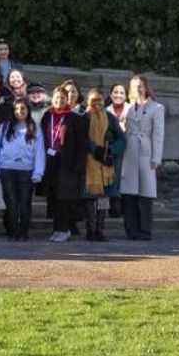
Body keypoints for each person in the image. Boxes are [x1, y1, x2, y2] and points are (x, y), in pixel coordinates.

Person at [119, 75, 165, 241]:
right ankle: (131, 230)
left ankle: (145, 231)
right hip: (129, 152)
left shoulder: (157, 108)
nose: (138, 89)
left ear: (146, 88)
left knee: (145, 193)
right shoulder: (127, 108)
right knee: (129, 193)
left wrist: (156, 158)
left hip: (146, 152)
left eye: (140, 86)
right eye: (134, 86)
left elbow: (158, 135)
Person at [0, 99, 45, 242]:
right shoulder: (5, 127)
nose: (20, 112)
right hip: (7, 169)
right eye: (17, 109)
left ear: (28, 110)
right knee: (11, 201)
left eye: (23, 109)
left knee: (25, 202)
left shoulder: (34, 128)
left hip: (26, 170)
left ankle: (24, 231)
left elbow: (40, 152)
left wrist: (38, 172)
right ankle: (13, 230)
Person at [43, 84, 89, 243]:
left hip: (68, 163)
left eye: (63, 98)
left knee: (64, 198)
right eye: (56, 98)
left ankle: (64, 229)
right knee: (54, 198)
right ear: (52, 99)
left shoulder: (74, 118)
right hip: (50, 162)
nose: (59, 101)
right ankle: (57, 228)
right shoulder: (46, 116)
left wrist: (78, 165)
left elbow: (81, 143)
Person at [80, 87, 124, 243]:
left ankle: (100, 230)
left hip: (106, 164)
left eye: (99, 100)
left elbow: (122, 139)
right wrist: (94, 149)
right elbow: (81, 140)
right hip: (89, 163)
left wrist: (110, 150)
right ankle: (90, 230)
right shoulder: (84, 118)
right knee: (90, 199)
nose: (97, 103)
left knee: (103, 198)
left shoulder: (111, 118)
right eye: (93, 101)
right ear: (88, 102)